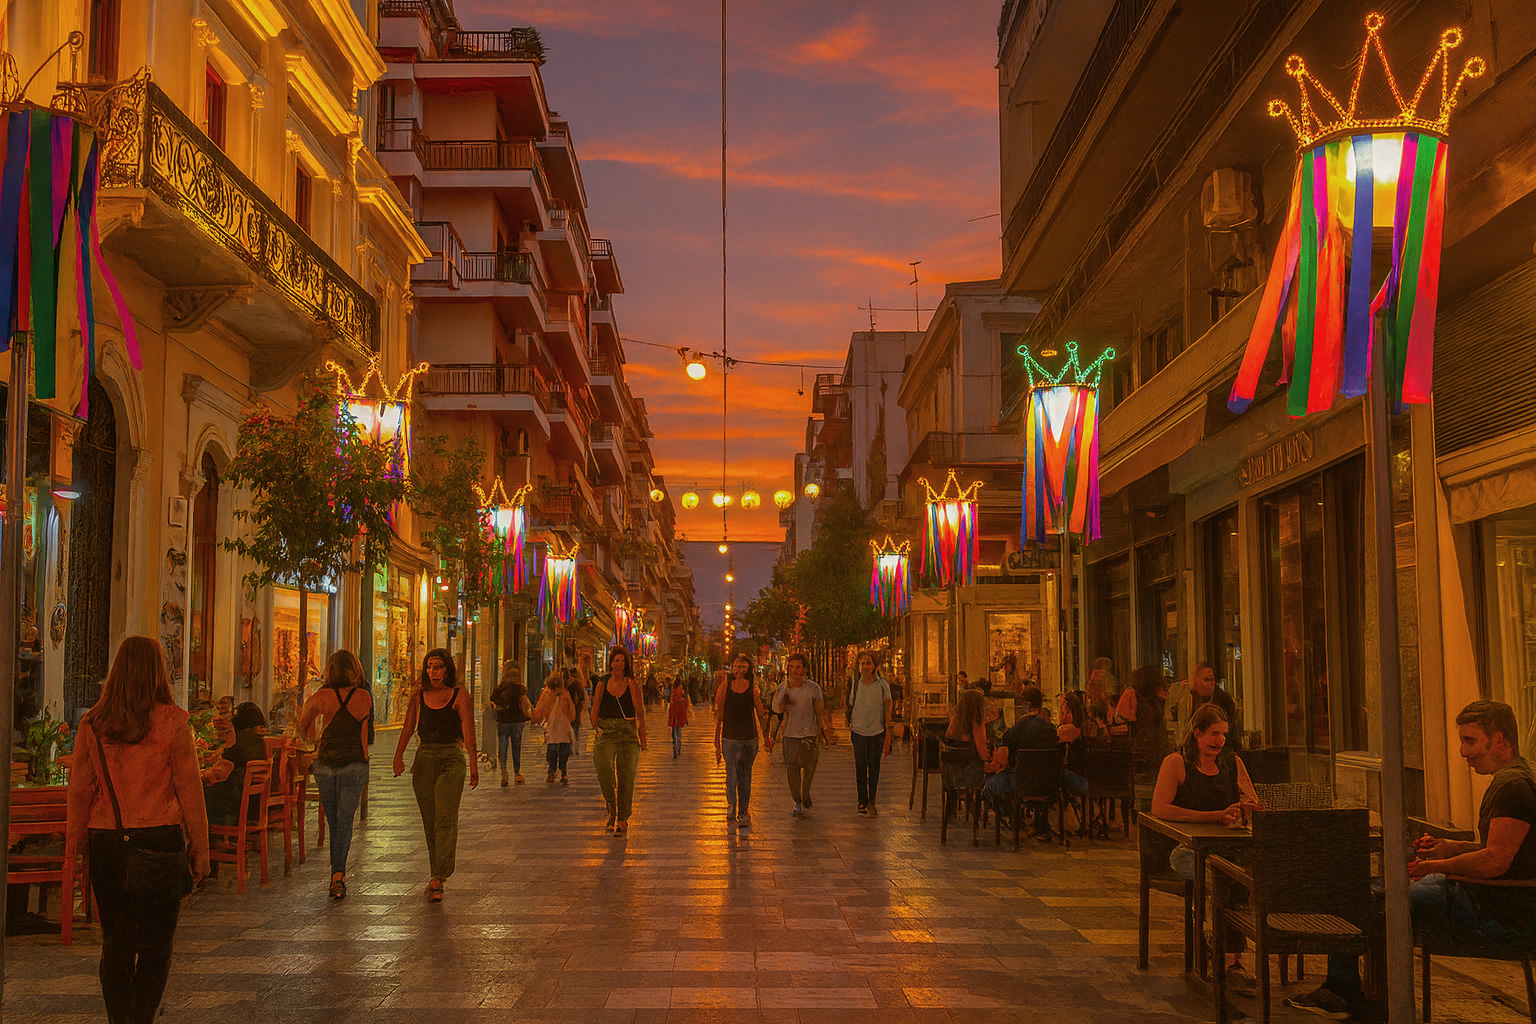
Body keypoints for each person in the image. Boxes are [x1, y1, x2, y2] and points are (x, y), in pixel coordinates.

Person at [1289, 700, 1536, 1019]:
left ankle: (1347, 995)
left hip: (1491, 910)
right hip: (1491, 899)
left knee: (1370, 900)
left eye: (1470, 740)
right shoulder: (1515, 779)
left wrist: (1435, 866)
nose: (1463, 752)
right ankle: (1353, 993)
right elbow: (1506, 851)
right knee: (1379, 890)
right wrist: (1449, 847)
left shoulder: (1512, 786)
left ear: (1500, 740)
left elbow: (1495, 862)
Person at [66, 637, 208, 1024]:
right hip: (159, 842)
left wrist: (75, 850)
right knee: (157, 947)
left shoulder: (93, 724)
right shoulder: (173, 723)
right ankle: (140, 1017)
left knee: (116, 943)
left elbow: (79, 791)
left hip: (108, 841)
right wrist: (201, 849)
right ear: (158, 672)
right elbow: (190, 790)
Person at [1150, 702, 1261, 991]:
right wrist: (1211, 817)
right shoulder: (1176, 763)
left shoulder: (1232, 762)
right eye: (1214, 734)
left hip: (1226, 848)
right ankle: (1225, 955)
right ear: (1197, 734)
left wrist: (1243, 810)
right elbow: (1160, 808)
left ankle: (1227, 952)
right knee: (1226, 876)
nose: (1220, 741)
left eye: (1224, 734)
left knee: (1242, 873)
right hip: (1185, 850)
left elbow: (1252, 801)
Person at [392, 648, 478, 902]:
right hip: (425, 759)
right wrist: (398, 756)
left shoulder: (460, 695)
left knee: (446, 818)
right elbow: (409, 726)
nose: (433, 672)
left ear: (447, 669)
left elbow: (469, 729)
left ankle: (440, 875)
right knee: (430, 821)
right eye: (430, 666)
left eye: (438, 666)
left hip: (451, 758)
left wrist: (473, 763)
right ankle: (435, 873)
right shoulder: (418, 695)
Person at [297, 650, 372, 900]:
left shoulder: (322, 697)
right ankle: (337, 875)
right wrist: (365, 759)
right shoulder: (363, 697)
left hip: (326, 765)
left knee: (334, 821)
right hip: (354, 764)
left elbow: (303, 725)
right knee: (345, 821)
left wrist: (313, 744)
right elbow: (364, 737)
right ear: (354, 669)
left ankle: (336, 874)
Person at [983, 686, 1059, 839]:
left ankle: (1011, 818)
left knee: (989, 787)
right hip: (1048, 783)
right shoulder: (1050, 728)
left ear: (1028, 705)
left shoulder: (1021, 727)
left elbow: (1005, 741)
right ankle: (1033, 822)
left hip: (1021, 782)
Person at [592, 647, 646, 835]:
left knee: (627, 774)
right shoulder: (602, 683)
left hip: (627, 733)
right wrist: (596, 728)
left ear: (627, 664)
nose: (618, 664)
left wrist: (642, 734)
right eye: (616, 661)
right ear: (611, 662)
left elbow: (640, 711)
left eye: (622, 661)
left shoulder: (632, 684)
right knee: (603, 767)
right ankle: (611, 809)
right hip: (606, 732)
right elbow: (595, 707)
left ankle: (622, 818)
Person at [716, 653, 769, 830]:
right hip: (729, 738)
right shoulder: (724, 688)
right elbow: (719, 715)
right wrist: (717, 742)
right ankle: (731, 805)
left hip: (749, 738)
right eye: (737, 666)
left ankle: (743, 811)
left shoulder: (753, 689)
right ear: (732, 667)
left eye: (743, 667)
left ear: (748, 669)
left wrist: (766, 736)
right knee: (731, 773)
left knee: (745, 775)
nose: (739, 670)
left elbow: (760, 712)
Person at [771, 652, 828, 817]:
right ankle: (797, 799)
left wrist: (824, 730)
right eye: (792, 667)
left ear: (804, 669)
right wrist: (784, 699)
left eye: (798, 667)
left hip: (809, 734)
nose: (795, 671)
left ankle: (806, 793)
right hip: (790, 735)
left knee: (810, 767)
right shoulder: (784, 687)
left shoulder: (813, 688)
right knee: (792, 769)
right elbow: (776, 708)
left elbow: (819, 711)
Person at [202, 702, 268, 826]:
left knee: (200, 793)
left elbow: (229, 758)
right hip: (252, 805)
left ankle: (211, 838)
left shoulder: (244, 740)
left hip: (235, 807)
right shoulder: (258, 741)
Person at [846, 651, 894, 817]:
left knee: (874, 767)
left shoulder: (882, 685)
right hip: (858, 731)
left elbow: (888, 706)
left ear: (875, 666)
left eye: (868, 663)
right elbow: (851, 703)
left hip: (876, 731)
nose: (865, 667)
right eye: (862, 664)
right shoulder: (855, 683)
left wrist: (888, 731)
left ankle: (872, 800)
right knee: (860, 766)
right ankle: (862, 800)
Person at [1116, 665, 1172, 805]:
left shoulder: (1134, 698)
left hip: (1143, 757)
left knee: (1145, 802)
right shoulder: (1161, 702)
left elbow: (1120, 717)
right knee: (1162, 800)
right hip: (1161, 756)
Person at [942, 688, 992, 803]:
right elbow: (981, 748)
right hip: (970, 772)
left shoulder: (955, 722)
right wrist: (990, 760)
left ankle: (958, 799)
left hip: (951, 773)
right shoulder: (976, 721)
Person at [489, 662, 532, 786]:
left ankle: (504, 772)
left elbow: (493, 704)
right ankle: (517, 773)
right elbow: (526, 704)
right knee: (516, 747)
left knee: (502, 747)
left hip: (503, 722)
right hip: (517, 721)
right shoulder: (520, 688)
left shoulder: (498, 689)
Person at [533, 672, 577, 783]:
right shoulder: (546, 694)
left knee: (564, 750)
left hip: (563, 726)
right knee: (552, 749)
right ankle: (551, 770)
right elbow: (541, 708)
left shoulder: (565, 694)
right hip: (552, 727)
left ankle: (563, 770)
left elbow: (571, 711)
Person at [666, 675, 690, 758]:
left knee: (674, 731)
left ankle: (675, 748)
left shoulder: (673, 689)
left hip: (673, 712)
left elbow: (669, 698)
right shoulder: (681, 690)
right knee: (679, 731)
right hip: (680, 711)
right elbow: (684, 700)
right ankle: (678, 748)